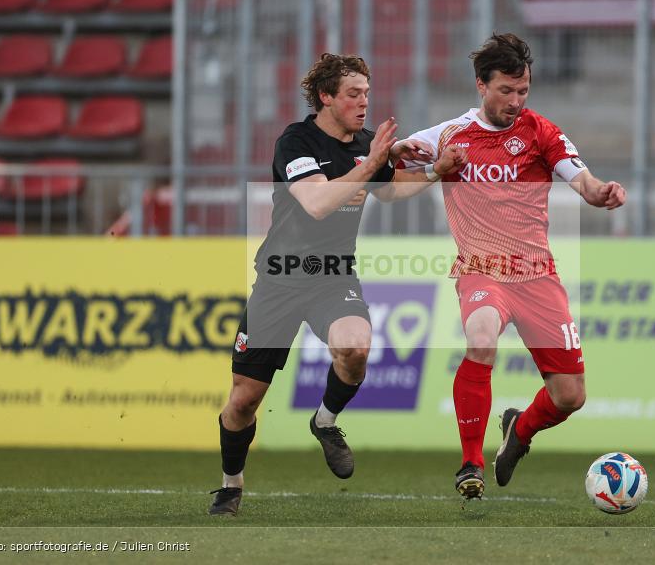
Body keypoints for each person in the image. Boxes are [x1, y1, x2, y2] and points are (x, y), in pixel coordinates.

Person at [209, 53, 464, 516]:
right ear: (326, 97)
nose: (363, 102)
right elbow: (317, 202)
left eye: (367, 93)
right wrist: (372, 163)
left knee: (355, 349)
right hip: (281, 277)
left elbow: (390, 189)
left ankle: (325, 422)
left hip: (332, 274)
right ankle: (230, 485)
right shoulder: (297, 140)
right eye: (353, 94)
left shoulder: (367, 144)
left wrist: (435, 170)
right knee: (244, 400)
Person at [401, 33, 627, 500]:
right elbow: (399, 162)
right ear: (481, 85)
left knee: (570, 396)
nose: (515, 101)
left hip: (536, 273)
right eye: (506, 91)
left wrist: (601, 192)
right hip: (481, 267)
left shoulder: (540, 131)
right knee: (480, 339)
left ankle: (518, 432)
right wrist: (402, 156)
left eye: (523, 91)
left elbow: (581, 179)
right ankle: (469, 464)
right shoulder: (449, 135)